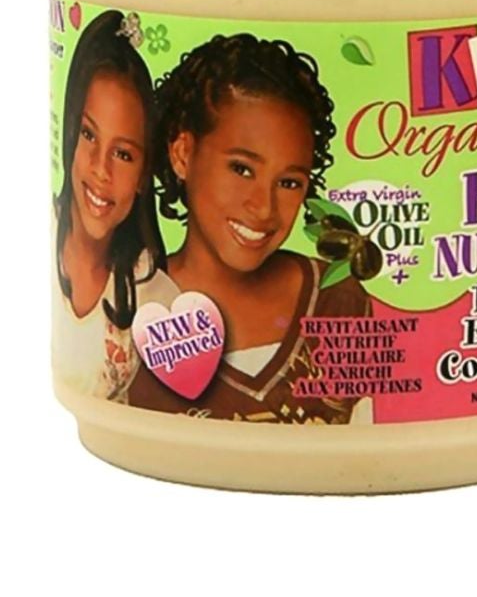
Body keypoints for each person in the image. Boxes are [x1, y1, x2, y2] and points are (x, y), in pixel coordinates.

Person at [128, 33, 372, 423]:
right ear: (182, 154)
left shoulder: (337, 300)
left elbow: (368, 436)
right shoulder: (128, 302)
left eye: (289, 182)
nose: (264, 207)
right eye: (241, 169)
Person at [52, 10, 174, 401]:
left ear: (143, 176)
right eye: (88, 134)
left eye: (123, 154)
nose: (101, 170)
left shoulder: (153, 293)